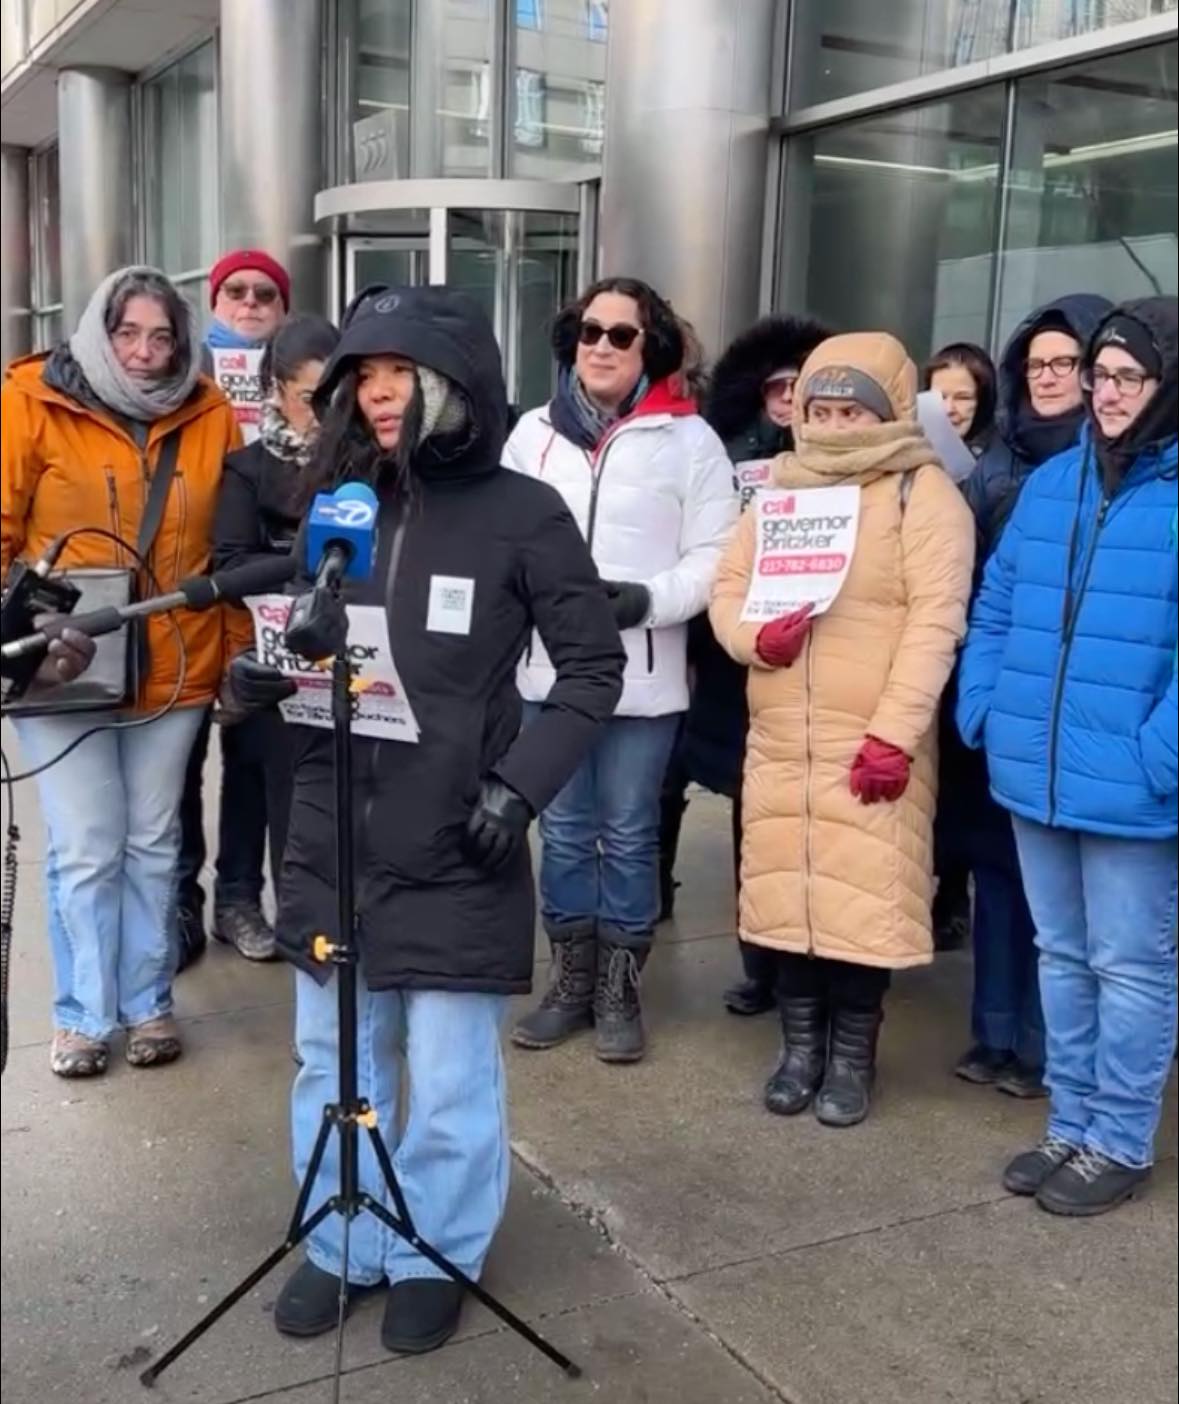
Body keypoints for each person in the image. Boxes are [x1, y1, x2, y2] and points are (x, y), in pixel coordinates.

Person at [224, 284, 624, 1353]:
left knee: (447, 1078)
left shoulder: (524, 513)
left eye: (402, 371)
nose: (381, 392)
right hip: (331, 835)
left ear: (457, 382)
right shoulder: (338, 506)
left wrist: (520, 785)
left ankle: (433, 1249)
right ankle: (340, 1236)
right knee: (333, 1062)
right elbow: (308, 644)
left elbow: (592, 668)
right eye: (365, 374)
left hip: (457, 835)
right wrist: (258, 680)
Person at [710, 333, 975, 1127]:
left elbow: (935, 623)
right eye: (819, 411)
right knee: (788, 898)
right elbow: (728, 586)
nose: (831, 426)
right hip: (782, 735)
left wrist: (893, 733)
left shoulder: (922, 495)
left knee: (861, 905)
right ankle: (799, 1050)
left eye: (849, 412)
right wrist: (754, 640)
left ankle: (852, 1058)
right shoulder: (780, 490)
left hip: (869, 740)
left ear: (887, 411)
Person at [957, 296, 1177, 1216]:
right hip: (1033, 768)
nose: (1106, 393)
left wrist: (1159, 756)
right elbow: (995, 603)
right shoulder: (1052, 484)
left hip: (1134, 785)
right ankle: (1071, 1122)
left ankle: (1118, 1140)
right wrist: (985, 706)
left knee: (1129, 966)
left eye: (1130, 377)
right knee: (1060, 954)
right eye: (1099, 375)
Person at [0, 265, 244, 1077]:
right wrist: (16, 631)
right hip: (62, 662)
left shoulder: (210, 412)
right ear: (98, 334)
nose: (144, 351)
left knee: (152, 841)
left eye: (161, 336)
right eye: (127, 333)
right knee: (85, 845)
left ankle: (147, 1004)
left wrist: (235, 653)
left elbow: (231, 549)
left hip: (177, 660)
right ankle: (82, 1015)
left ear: (181, 342)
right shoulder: (31, 399)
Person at [504, 277, 738, 1063]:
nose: (601, 346)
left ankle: (619, 989)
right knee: (564, 831)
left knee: (630, 833)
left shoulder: (691, 441)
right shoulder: (530, 435)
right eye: (589, 331)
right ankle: (571, 981)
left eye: (621, 334)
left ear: (651, 346)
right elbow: (501, 542)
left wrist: (647, 600)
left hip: (643, 677)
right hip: (546, 676)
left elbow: (716, 557)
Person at [663, 314, 832, 1018]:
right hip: (736, 660)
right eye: (776, 386)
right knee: (750, 822)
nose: (788, 399)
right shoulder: (724, 453)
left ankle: (805, 968)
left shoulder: (842, 458)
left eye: (801, 386)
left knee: (807, 831)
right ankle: (758, 963)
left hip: (820, 661)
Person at [176, 248, 293, 968]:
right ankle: (179, 903)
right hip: (191, 602)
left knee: (251, 761)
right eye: (236, 292)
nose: (250, 303)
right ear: (214, 303)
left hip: (260, 609)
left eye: (265, 294)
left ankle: (239, 899)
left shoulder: (305, 390)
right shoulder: (183, 383)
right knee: (180, 764)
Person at [210, 313, 341, 944]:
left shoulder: (363, 463)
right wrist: (316, 560)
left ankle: (315, 914)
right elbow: (230, 566)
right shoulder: (248, 467)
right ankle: (238, 899)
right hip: (263, 652)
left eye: (336, 396)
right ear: (277, 390)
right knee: (254, 778)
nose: (325, 414)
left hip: (344, 652)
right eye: (312, 398)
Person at [922, 342, 996, 454]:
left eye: (962, 398)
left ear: (984, 402)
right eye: (939, 397)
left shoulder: (1007, 459)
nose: (948, 409)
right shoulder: (908, 449)